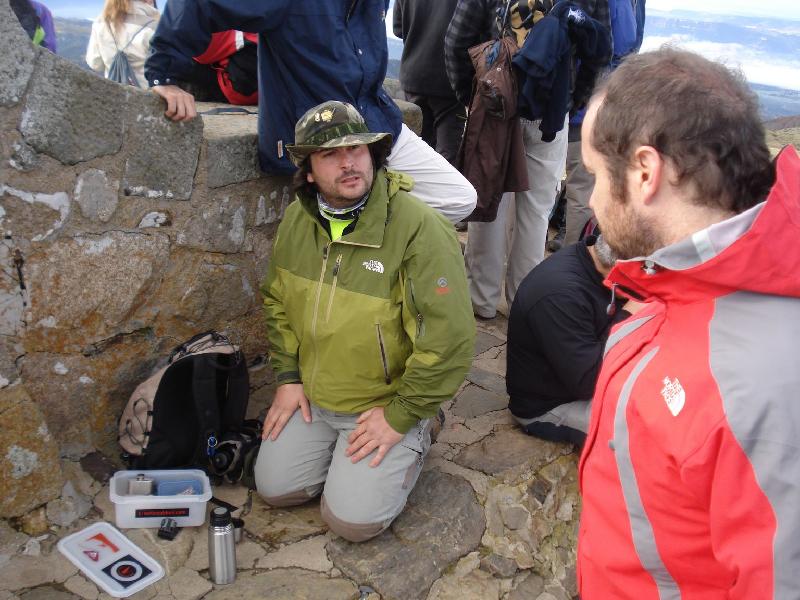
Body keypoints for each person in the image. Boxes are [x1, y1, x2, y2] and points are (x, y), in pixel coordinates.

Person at [578, 48, 798, 598]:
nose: (590, 197)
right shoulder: (678, 277)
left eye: (595, 175)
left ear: (645, 172)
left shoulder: (759, 384)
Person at [254, 101, 475, 542]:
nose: (349, 162)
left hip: (384, 400)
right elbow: (277, 302)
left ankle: (421, 428)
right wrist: (288, 377)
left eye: (357, 149)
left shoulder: (420, 229)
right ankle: (342, 454)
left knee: (352, 523)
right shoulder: (299, 219)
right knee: (276, 489)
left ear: (373, 155)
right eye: (330, 154)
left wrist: (401, 415)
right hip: (317, 395)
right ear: (309, 171)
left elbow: (448, 340)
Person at [144, 0, 477, 224]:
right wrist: (165, 75)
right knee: (356, 218)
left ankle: (379, 251)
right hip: (320, 137)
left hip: (377, 120)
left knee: (459, 199)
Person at [445, 0, 611, 319]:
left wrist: (471, 95)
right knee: (536, 211)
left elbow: (457, 37)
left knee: (489, 198)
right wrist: (571, 101)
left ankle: (480, 298)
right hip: (550, 110)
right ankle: (524, 300)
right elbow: (599, 50)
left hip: (495, 100)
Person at [506, 229, 628, 445]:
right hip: (550, 406)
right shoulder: (560, 294)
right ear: (622, 269)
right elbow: (587, 383)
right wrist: (631, 314)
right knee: (649, 436)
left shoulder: (592, 260)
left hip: (580, 379)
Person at [393, 0, 464, 166]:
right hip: (450, 81)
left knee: (417, 149)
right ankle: (443, 189)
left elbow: (398, 28)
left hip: (414, 75)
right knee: (447, 156)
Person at [85, 0, 159, 89]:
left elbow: (95, 64)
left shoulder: (100, 22)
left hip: (114, 93)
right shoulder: (155, 27)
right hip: (145, 95)